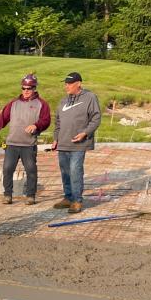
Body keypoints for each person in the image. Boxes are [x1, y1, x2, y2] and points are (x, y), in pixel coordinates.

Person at [0, 73, 51, 205]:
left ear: (34, 88)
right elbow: (3, 118)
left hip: (28, 144)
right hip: (12, 144)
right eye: (24, 88)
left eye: (29, 88)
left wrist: (36, 125)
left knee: (31, 170)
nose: (26, 91)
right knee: (7, 169)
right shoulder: (13, 103)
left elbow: (46, 120)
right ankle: (7, 195)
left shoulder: (42, 104)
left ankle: (30, 196)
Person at [52, 72, 101, 214]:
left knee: (75, 170)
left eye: (69, 83)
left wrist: (85, 133)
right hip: (63, 143)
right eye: (65, 83)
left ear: (78, 83)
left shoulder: (90, 97)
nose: (66, 86)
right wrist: (56, 138)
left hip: (79, 143)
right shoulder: (63, 101)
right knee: (65, 172)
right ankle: (68, 197)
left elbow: (96, 118)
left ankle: (77, 201)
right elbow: (58, 122)